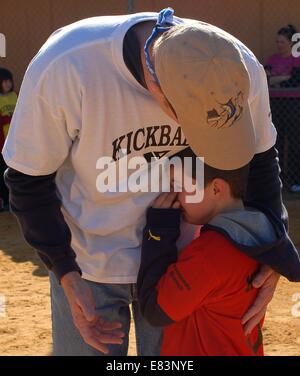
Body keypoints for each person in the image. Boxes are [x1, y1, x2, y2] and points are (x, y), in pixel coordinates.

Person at [2, 8, 290, 355]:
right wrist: (63, 268)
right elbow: (27, 180)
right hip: (89, 264)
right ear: (157, 89)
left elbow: (259, 162)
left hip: (185, 265)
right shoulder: (66, 65)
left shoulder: (236, 65)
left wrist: (271, 246)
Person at [137, 148, 300, 356]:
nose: (175, 194)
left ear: (216, 189)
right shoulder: (261, 232)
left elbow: (154, 311)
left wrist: (158, 231)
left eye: (180, 186)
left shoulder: (210, 254)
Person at [265, 25, 300, 193]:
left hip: (293, 104)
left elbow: (294, 81)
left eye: (282, 41)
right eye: (277, 41)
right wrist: (283, 78)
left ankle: (294, 180)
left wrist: (276, 79)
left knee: (294, 140)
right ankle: (276, 178)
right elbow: (266, 78)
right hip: (276, 103)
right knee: (276, 141)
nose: (279, 44)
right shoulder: (273, 58)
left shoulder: (296, 58)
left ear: (291, 43)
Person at [0, 68, 17, 211]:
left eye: (9, 81)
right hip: (3, 143)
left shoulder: (15, 96)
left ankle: (14, 200)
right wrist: (7, 118)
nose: (7, 84)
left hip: (16, 143)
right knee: (3, 172)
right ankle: (5, 200)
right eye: (4, 81)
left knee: (14, 172)